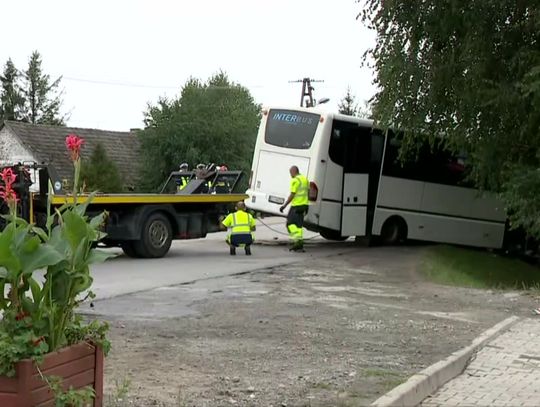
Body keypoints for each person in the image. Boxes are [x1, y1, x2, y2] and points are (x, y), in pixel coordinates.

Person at [280, 166, 309, 252]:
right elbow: (308, 192)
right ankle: (299, 243)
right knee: (299, 225)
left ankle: (297, 241)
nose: (290, 175)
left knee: (290, 224)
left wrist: (284, 206)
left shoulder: (295, 180)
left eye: (290, 173)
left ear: (294, 171)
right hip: (304, 205)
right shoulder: (305, 179)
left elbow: (292, 194)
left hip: (296, 205)